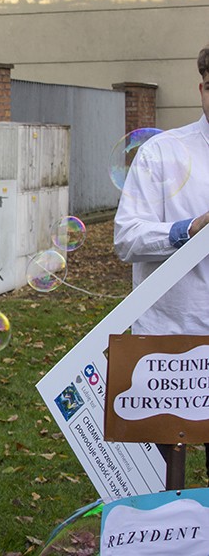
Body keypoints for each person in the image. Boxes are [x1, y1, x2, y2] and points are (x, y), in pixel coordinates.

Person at [114, 42, 209, 479]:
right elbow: (127, 238)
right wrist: (187, 230)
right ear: (202, 89)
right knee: (163, 489)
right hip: (169, 350)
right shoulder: (163, 154)